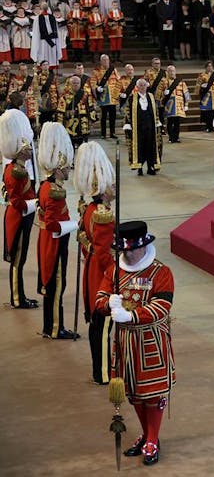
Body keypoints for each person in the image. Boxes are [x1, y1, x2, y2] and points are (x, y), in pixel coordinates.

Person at [96, 220, 175, 466]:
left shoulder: (160, 272)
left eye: (131, 249)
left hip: (150, 342)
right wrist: (109, 304)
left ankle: (153, 438)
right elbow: (99, 297)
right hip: (124, 343)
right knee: (133, 394)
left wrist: (132, 315)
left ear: (143, 246)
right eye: (123, 250)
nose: (127, 254)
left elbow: (162, 307)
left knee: (152, 393)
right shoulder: (114, 271)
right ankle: (147, 434)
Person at [73, 142, 116, 384]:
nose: (114, 186)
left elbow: (84, 239)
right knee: (102, 326)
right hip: (102, 275)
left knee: (97, 325)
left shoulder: (91, 208)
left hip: (92, 271)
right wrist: (116, 275)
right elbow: (103, 254)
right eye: (111, 184)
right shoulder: (103, 214)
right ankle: (102, 372)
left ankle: (100, 368)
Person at [35, 121, 78, 339]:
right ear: (59, 167)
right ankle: (54, 328)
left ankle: (49, 326)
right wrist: (74, 225)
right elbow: (52, 223)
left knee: (53, 286)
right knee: (56, 285)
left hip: (48, 240)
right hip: (54, 241)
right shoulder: (55, 191)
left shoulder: (47, 186)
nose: (70, 168)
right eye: (68, 165)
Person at [1, 108, 37, 309]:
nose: (31, 150)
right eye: (28, 148)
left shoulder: (18, 169)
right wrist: (37, 204)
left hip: (23, 215)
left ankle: (20, 295)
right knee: (18, 259)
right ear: (21, 150)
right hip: (19, 216)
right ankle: (17, 297)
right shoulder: (16, 171)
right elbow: (16, 201)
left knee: (20, 258)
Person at [123, 79, 162, 175]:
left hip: (150, 126)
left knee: (150, 146)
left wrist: (157, 122)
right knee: (140, 147)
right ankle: (139, 168)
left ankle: (150, 167)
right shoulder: (132, 98)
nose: (143, 87)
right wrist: (128, 124)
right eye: (141, 85)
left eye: (144, 85)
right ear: (137, 87)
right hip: (138, 127)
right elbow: (127, 111)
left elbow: (155, 110)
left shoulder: (151, 97)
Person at [56, 75, 97, 147]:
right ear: (70, 84)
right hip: (70, 126)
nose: (76, 85)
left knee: (83, 147)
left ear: (80, 84)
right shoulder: (64, 97)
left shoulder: (86, 95)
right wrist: (68, 113)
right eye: (74, 83)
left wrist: (92, 120)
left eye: (77, 83)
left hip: (83, 123)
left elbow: (91, 107)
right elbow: (60, 112)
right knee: (70, 147)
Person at [93, 54, 120, 139]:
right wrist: (97, 88)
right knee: (103, 117)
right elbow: (93, 83)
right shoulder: (96, 71)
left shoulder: (113, 70)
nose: (106, 61)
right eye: (104, 60)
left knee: (113, 116)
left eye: (107, 60)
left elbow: (119, 80)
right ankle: (103, 133)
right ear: (101, 61)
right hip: (103, 96)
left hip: (113, 96)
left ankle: (113, 133)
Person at [161, 65, 190, 144]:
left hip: (179, 104)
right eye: (170, 71)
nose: (172, 72)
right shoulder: (164, 82)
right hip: (169, 104)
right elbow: (159, 94)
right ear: (167, 72)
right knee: (170, 121)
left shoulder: (181, 81)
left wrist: (186, 104)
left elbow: (186, 94)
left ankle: (176, 137)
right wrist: (164, 94)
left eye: (173, 70)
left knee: (177, 122)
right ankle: (171, 137)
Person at [29, 0, 61, 66]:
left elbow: (36, 31)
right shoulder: (53, 17)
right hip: (52, 40)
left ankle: (43, 67)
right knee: (51, 55)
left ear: (41, 8)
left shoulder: (37, 18)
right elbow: (56, 31)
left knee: (43, 54)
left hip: (42, 40)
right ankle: (51, 67)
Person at [198, 61, 214, 132]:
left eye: (211, 66)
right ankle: (208, 126)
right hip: (206, 96)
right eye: (208, 66)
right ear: (206, 67)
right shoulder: (202, 75)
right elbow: (198, 86)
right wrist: (202, 86)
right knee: (207, 112)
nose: (209, 67)